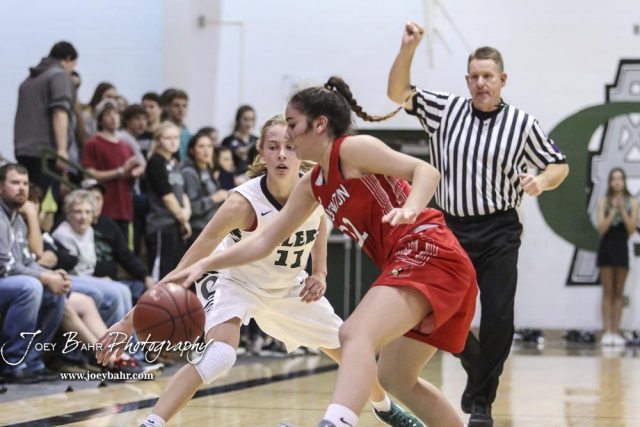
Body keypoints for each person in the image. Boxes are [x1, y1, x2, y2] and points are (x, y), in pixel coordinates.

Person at [143, 79, 478, 427]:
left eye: (292, 124)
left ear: (319, 125)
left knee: (353, 335)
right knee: (396, 378)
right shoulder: (313, 184)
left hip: (426, 250)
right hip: (420, 266)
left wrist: (411, 207)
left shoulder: (351, 149)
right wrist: (205, 264)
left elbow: (426, 170)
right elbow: (263, 242)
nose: (288, 135)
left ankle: (336, 422)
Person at [96, 114, 426, 427]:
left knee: (351, 351)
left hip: (287, 286)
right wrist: (128, 323)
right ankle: (152, 422)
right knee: (219, 356)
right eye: (273, 147)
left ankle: (385, 408)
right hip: (234, 281)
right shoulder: (241, 203)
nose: (282, 154)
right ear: (261, 153)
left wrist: (320, 272)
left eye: (290, 147)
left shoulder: (315, 188)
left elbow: (319, 226)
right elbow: (185, 268)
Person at [387, 22, 570, 426]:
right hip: (451, 227)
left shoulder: (522, 123)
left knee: (499, 315)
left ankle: (483, 402)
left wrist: (541, 181)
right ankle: (474, 363)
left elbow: (560, 165)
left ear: (503, 80)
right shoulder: (445, 110)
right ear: (466, 79)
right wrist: (408, 49)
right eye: (474, 76)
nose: (480, 83)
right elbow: (397, 94)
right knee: (444, 312)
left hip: (500, 229)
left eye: (487, 76)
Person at [0, 164, 65, 383]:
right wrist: (44, 277)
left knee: (54, 291)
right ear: (0, 187)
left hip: (9, 282)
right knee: (31, 287)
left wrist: (51, 274)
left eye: (25, 184)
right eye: (15, 183)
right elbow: (5, 266)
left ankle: (33, 362)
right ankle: (13, 363)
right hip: (4, 279)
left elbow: (27, 261)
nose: (22, 188)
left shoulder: (17, 219)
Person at [14, 41, 78, 196]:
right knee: (48, 203)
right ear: (68, 59)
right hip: (47, 154)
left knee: (30, 198)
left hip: (23, 151)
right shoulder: (59, 76)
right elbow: (59, 112)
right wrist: (62, 150)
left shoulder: (28, 81)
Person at [144, 121, 192, 280]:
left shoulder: (175, 163)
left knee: (174, 273)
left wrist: (186, 215)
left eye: (176, 138)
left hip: (176, 224)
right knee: (161, 274)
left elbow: (182, 193)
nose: (173, 142)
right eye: (168, 138)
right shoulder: (156, 161)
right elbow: (166, 195)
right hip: (161, 224)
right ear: (158, 140)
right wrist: (182, 217)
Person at [596, 167, 637, 346]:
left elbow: (631, 229)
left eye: (620, 178)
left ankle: (616, 331)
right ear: (610, 182)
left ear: (624, 181)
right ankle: (607, 332)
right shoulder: (603, 201)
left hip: (621, 247)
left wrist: (623, 209)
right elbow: (602, 228)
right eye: (614, 179)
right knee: (608, 291)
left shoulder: (632, 202)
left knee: (619, 292)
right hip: (606, 246)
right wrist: (613, 210)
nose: (617, 182)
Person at [181, 132, 228, 245]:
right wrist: (214, 198)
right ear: (192, 150)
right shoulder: (189, 173)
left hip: (210, 229)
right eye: (201, 146)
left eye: (209, 146)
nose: (206, 151)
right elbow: (192, 208)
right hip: (197, 231)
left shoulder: (207, 170)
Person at [221, 105, 259, 174]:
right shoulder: (228, 140)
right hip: (233, 177)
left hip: (253, 177)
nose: (248, 124)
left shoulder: (257, 140)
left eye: (251, 119)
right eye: (245, 119)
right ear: (238, 120)